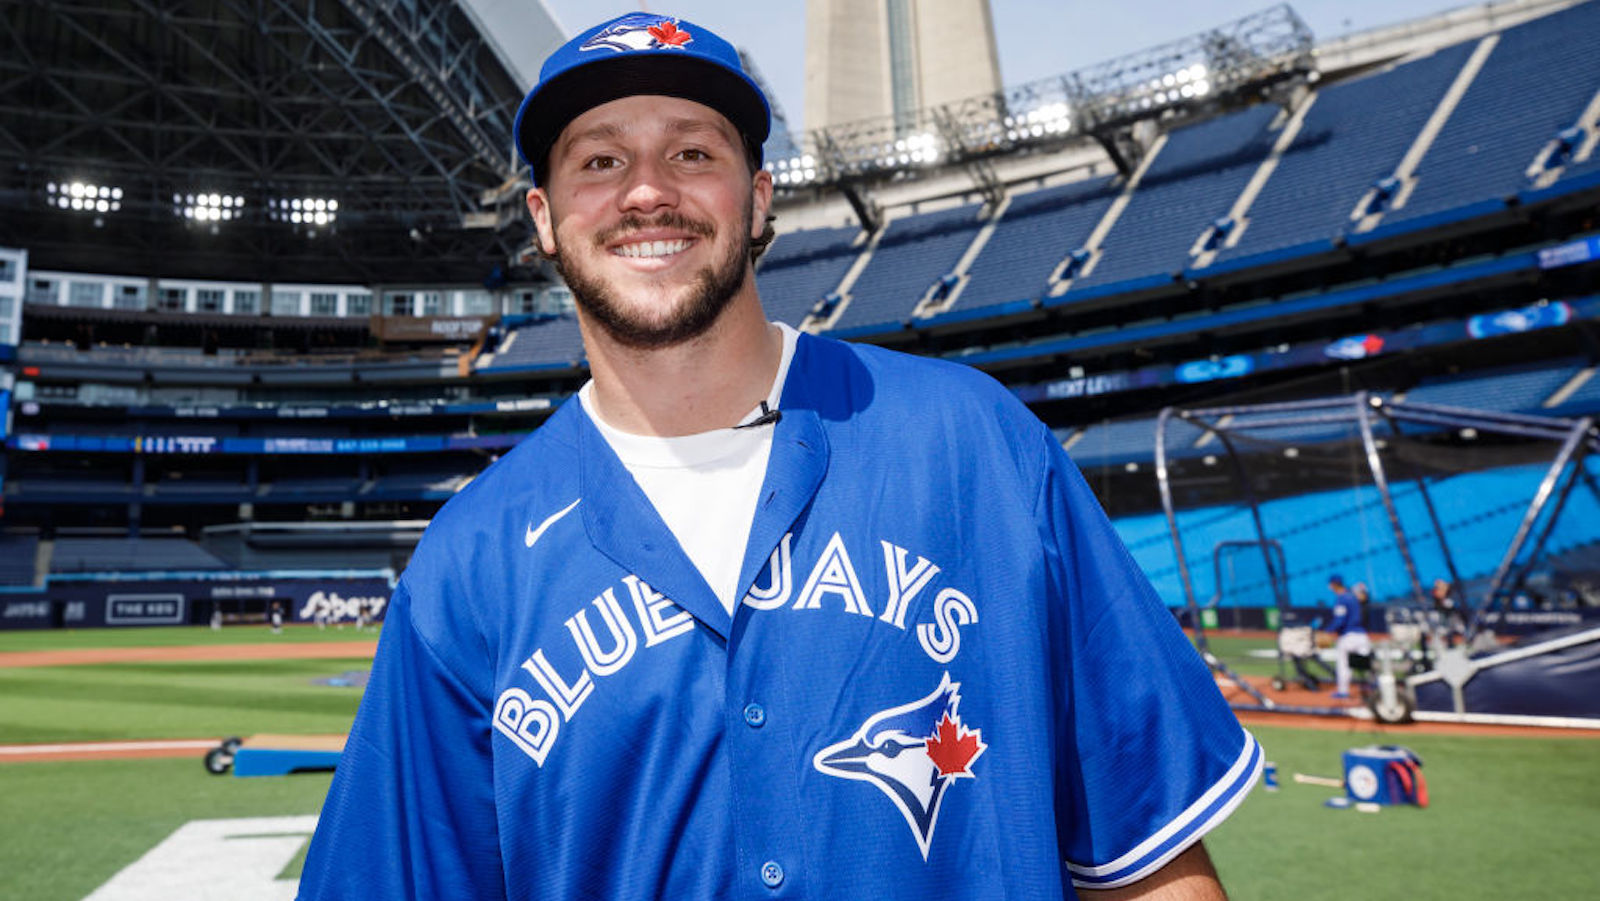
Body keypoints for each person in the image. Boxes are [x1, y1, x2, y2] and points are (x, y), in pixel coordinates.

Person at [297, 13, 1258, 900]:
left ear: (758, 198)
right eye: (598, 160)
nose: (646, 191)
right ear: (545, 217)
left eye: (692, 152)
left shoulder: (972, 442)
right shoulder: (471, 559)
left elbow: (1151, 862)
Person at [1322, 574, 1370, 699]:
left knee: (1343, 665)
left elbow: (1340, 620)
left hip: (1348, 637)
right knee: (1366, 665)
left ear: (1333, 584)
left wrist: (1328, 631)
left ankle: (1343, 692)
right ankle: (1374, 688)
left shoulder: (1341, 599)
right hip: (1362, 636)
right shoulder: (1353, 597)